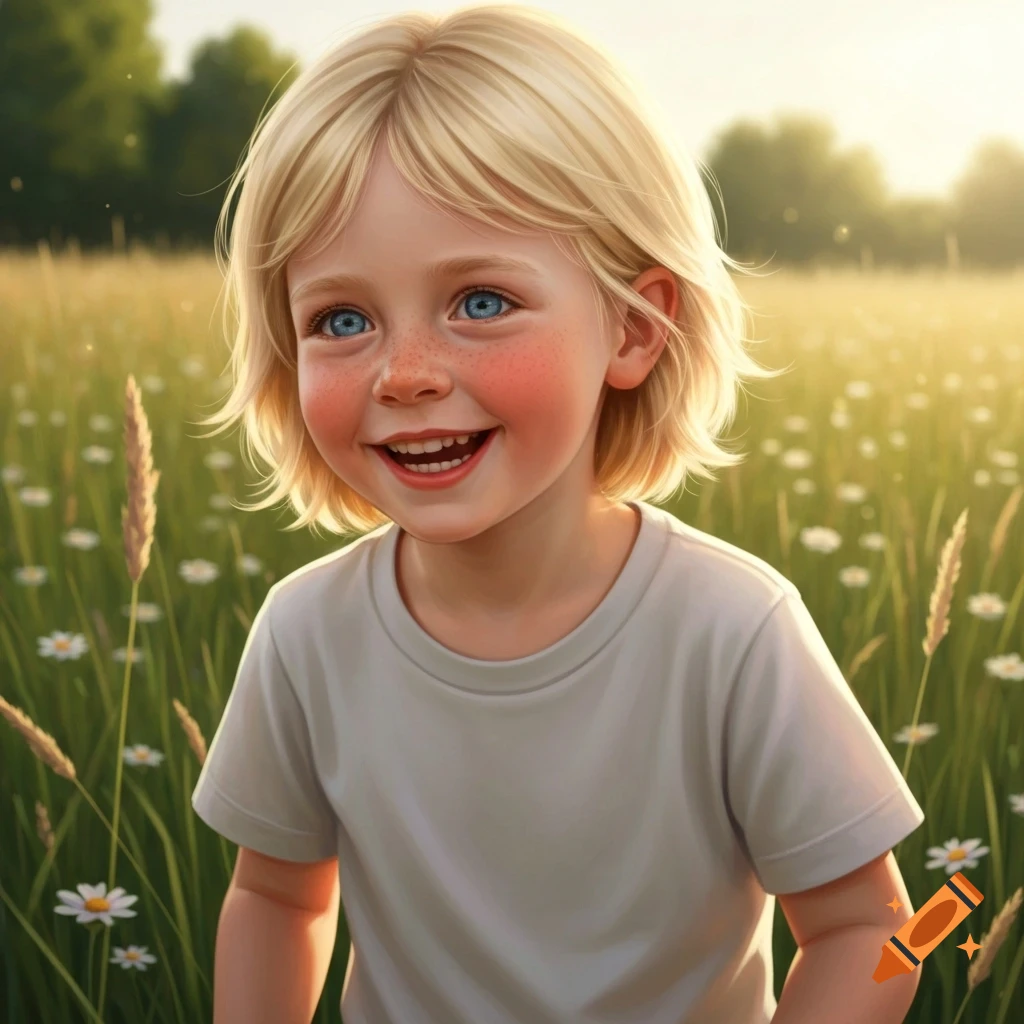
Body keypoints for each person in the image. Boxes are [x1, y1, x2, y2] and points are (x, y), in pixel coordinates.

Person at [191, 5, 925, 1022]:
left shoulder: (730, 632)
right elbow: (274, 896)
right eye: (342, 319)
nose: (403, 375)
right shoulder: (306, 635)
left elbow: (885, 927)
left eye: (480, 301)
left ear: (632, 326)